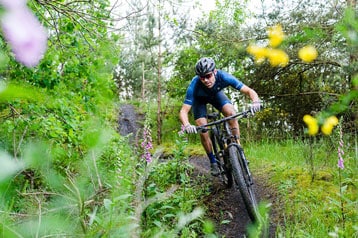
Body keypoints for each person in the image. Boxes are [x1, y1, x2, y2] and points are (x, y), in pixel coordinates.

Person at [179, 57, 261, 176]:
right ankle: (213, 162)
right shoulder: (194, 84)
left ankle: (237, 148)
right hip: (199, 101)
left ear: (215, 72)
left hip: (216, 95)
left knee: (231, 114)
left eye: (208, 76)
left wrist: (255, 102)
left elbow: (249, 91)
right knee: (202, 128)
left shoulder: (224, 76)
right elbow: (183, 111)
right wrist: (186, 124)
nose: (206, 80)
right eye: (202, 77)